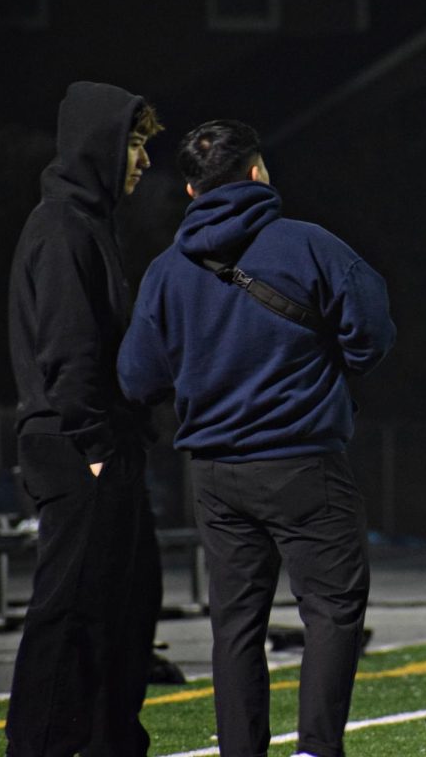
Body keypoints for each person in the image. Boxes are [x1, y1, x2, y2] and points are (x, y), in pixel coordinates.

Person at [118, 119, 395, 757]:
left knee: (236, 623)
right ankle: (316, 749)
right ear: (257, 172)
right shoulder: (308, 245)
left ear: (191, 191)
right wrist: (333, 363)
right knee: (330, 611)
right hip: (303, 461)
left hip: (213, 472)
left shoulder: (166, 270)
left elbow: (137, 377)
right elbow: (374, 329)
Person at [6, 81, 165, 757]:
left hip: (97, 443)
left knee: (124, 610)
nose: (143, 160)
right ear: (99, 145)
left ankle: (110, 742)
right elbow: (69, 353)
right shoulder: (64, 226)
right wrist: (96, 447)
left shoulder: (87, 223)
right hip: (79, 446)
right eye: (133, 143)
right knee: (69, 614)